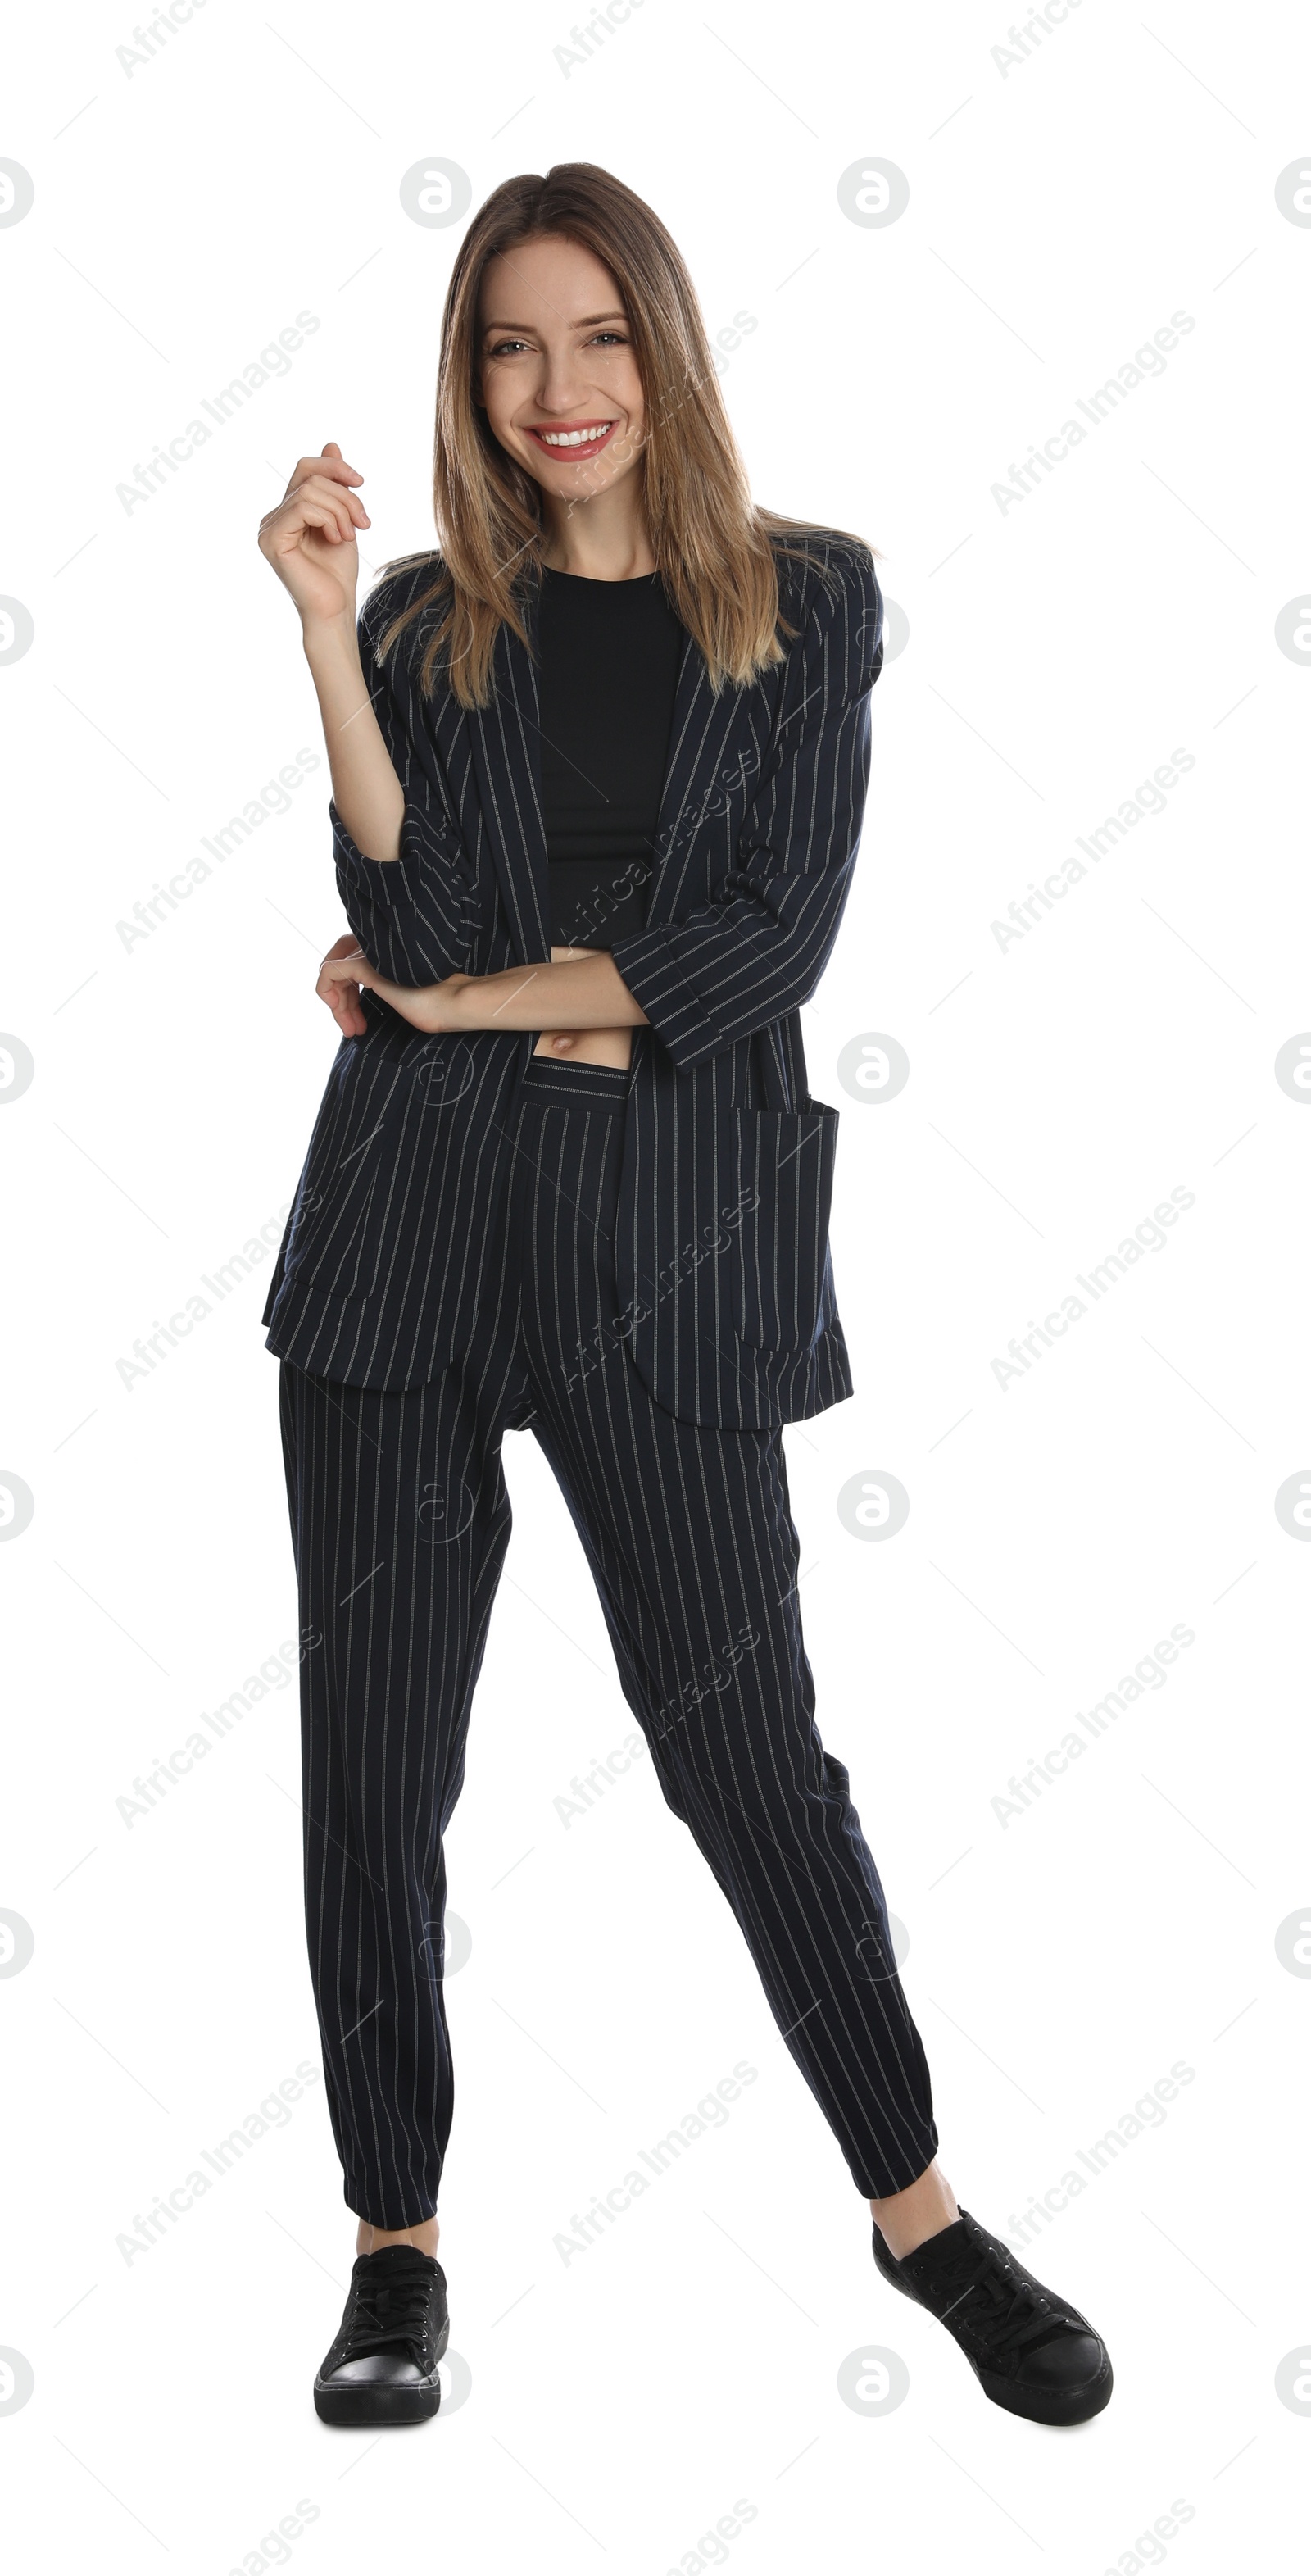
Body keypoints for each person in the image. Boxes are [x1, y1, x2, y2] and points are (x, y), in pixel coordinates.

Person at [256, 161, 1112, 2433]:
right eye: (513, 346)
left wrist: (461, 1005)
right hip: (405, 1248)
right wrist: (329, 630)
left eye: (600, 338)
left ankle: (919, 2210)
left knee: (742, 1753)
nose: (561, 390)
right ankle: (394, 2247)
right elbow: (404, 904)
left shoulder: (804, 602)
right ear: (474, 377)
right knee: (375, 1769)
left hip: (675, 1250)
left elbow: (761, 949)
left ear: (667, 349)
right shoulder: (439, 615)